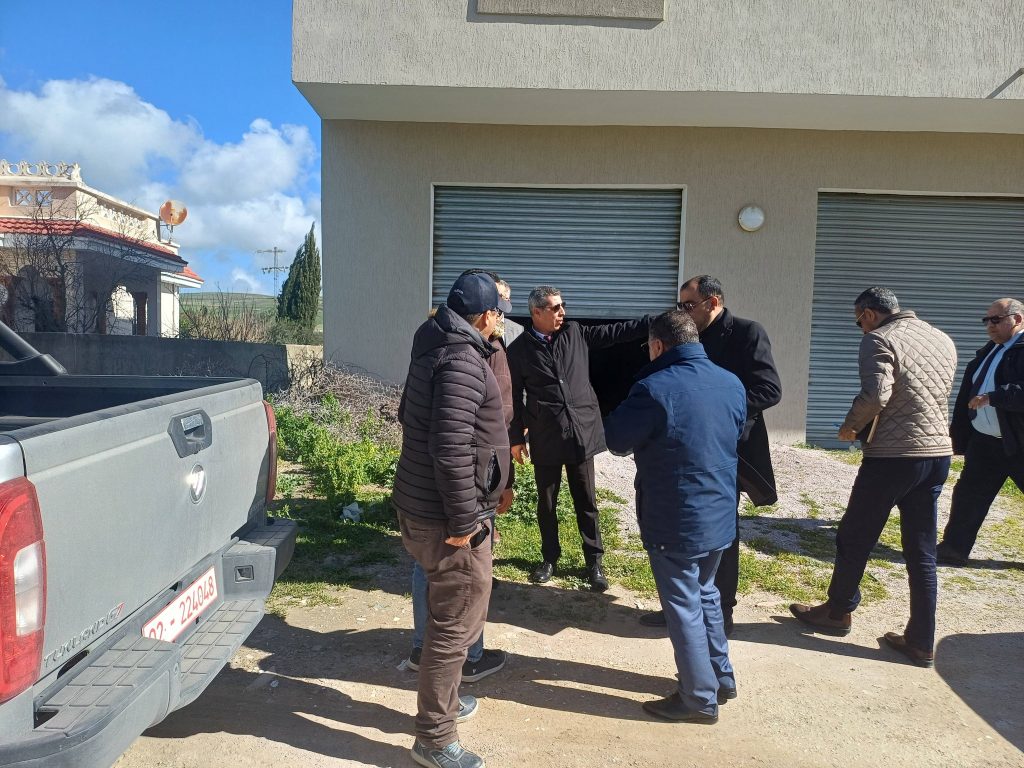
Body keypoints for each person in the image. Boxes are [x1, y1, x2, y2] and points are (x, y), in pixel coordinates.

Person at [790, 287, 957, 669]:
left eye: (858, 322)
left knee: (855, 535)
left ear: (867, 314)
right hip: (936, 454)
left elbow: (877, 394)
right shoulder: (941, 338)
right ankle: (921, 641)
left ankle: (838, 611)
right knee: (921, 549)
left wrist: (851, 426)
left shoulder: (879, 339)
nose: (860, 329)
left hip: (893, 457)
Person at [392, 272, 511, 768]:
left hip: (422, 506)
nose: (500, 322)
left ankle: (446, 701)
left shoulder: (433, 344)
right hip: (447, 519)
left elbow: (409, 415)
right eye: (498, 313)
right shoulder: (462, 359)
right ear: (483, 316)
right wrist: (464, 520)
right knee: (454, 626)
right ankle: (436, 739)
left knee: (449, 618)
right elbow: (451, 447)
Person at [605, 310, 745, 723]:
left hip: (676, 515)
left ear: (657, 345)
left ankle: (699, 699)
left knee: (683, 605)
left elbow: (617, 440)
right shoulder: (731, 382)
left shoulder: (653, 388)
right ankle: (721, 679)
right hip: (719, 511)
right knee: (706, 594)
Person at [640, 275, 781, 633]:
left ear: (713, 302)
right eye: (680, 305)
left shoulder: (747, 333)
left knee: (721, 533)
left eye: (688, 305)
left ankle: (722, 611)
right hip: (683, 448)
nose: (683, 311)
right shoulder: (687, 335)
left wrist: (721, 410)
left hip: (727, 448)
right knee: (679, 528)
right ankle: (678, 605)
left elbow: (769, 389)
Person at [506, 286, 649, 591]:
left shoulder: (575, 333)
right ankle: (549, 558)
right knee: (546, 503)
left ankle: (594, 562)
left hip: (581, 434)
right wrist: (515, 437)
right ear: (537, 312)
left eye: (563, 306)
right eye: (555, 308)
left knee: (586, 501)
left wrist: (652, 323)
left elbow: (616, 332)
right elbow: (514, 398)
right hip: (546, 435)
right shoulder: (518, 351)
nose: (563, 312)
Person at [937, 298, 1024, 565]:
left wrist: (994, 397)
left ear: (1018, 319)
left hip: (1018, 442)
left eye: (996, 319)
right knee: (968, 496)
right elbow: (969, 393)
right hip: (985, 441)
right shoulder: (991, 350)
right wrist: (958, 434)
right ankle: (953, 550)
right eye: (987, 320)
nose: (990, 325)